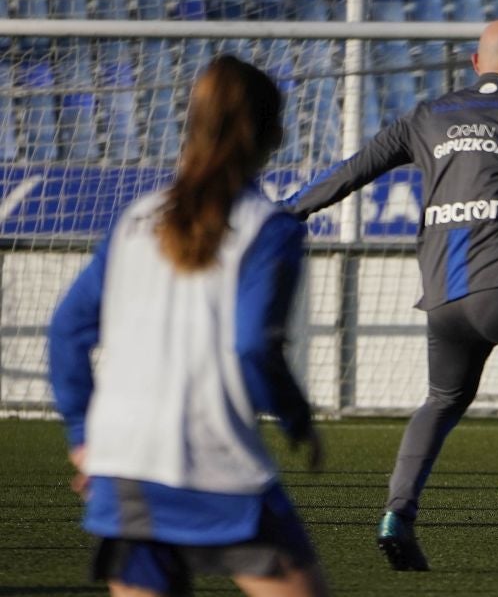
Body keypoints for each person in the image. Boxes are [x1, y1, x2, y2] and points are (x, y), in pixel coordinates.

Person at [282, 19, 498, 569]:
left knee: (443, 400)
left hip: (443, 297)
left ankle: (397, 513)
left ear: (475, 63)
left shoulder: (427, 115)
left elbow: (353, 171)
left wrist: (287, 212)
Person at [48, 55, 329, 596]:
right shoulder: (268, 230)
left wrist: (86, 438)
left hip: (125, 463)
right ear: (272, 134)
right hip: (216, 464)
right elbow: (252, 347)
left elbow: (66, 331)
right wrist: (297, 420)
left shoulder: (134, 218)